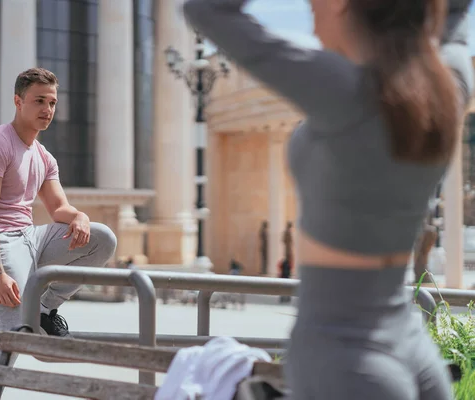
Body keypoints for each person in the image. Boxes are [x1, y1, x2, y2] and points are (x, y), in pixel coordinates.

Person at [183, 0, 473, 399]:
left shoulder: (346, 90)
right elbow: (456, 16)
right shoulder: (447, 84)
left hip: (343, 354)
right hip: (410, 343)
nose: (310, 11)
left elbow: (208, 11)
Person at [0, 68, 117, 393]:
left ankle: (44, 308)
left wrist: (79, 216)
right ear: (18, 102)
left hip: (29, 237)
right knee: (14, 329)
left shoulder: (43, 156)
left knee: (103, 238)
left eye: (53, 102)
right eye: (39, 101)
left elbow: (58, 208)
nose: (47, 109)